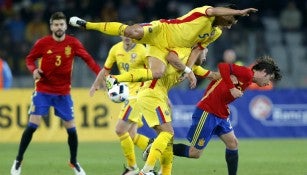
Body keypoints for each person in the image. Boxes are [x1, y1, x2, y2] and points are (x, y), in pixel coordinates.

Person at [69, 5, 258, 89]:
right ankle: (87, 24)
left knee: (157, 72)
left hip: (168, 48)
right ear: (226, 13)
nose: (231, 24)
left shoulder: (215, 33)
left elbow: (198, 49)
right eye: (231, 19)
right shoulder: (206, 12)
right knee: (132, 33)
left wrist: (188, 69)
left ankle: (114, 80)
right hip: (163, 30)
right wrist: (240, 11)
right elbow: (216, 10)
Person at [10, 12, 101, 175]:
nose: (59, 27)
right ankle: (18, 160)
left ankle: (74, 162)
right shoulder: (43, 43)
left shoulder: (73, 43)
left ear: (66, 26)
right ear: (51, 26)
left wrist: (102, 76)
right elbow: (29, 59)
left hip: (63, 92)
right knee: (33, 125)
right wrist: (34, 70)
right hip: (43, 90)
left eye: (61, 24)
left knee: (71, 129)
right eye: (56, 24)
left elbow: (88, 59)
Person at [172, 56, 282, 175]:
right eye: (269, 79)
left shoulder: (248, 79)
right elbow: (223, 66)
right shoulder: (247, 73)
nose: (267, 84)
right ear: (264, 72)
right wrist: (232, 88)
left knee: (233, 143)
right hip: (208, 110)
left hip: (221, 113)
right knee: (195, 153)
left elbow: (225, 76)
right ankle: (157, 146)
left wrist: (229, 82)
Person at [136, 47, 219, 175]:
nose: (205, 58)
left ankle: (165, 172)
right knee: (168, 133)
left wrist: (237, 75)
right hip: (151, 95)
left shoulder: (192, 67)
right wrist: (187, 70)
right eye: (205, 53)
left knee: (168, 139)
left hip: (158, 97)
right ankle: (146, 170)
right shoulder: (182, 54)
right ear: (198, 50)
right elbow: (170, 57)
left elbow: (213, 75)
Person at [89, 36, 153, 175]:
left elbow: (153, 73)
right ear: (121, 35)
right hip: (126, 94)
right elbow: (106, 70)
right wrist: (96, 85)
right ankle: (155, 151)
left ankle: (132, 168)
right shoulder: (115, 49)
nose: (128, 37)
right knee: (131, 134)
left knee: (119, 129)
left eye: (131, 35)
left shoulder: (142, 50)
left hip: (138, 96)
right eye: (125, 34)